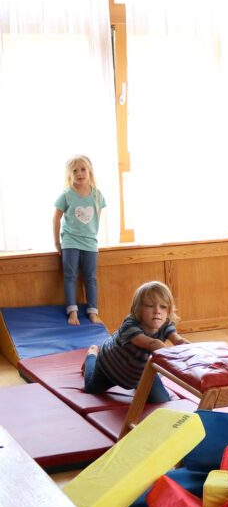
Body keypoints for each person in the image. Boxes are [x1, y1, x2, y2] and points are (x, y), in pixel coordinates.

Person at [83, 281, 190, 403]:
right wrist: (171, 358)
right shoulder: (130, 325)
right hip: (110, 368)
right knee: (91, 388)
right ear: (138, 309)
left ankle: (143, 381)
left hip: (140, 374)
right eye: (150, 305)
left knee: (161, 401)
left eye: (163, 306)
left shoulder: (165, 324)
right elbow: (152, 343)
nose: (157, 311)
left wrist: (196, 351)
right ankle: (91, 355)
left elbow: (179, 341)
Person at [53, 155, 106, 325]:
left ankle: (92, 312)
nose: (79, 173)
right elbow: (56, 219)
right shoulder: (66, 194)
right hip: (70, 242)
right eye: (74, 170)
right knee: (70, 276)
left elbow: (96, 219)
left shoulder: (97, 195)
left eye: (83, 169)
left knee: (90, 277)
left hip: (90, 243)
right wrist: (57, 243)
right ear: (69, 174)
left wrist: (92, 236)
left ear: (90, 171)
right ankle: (73, 312)